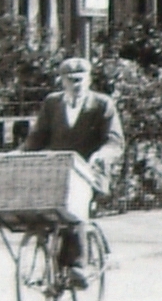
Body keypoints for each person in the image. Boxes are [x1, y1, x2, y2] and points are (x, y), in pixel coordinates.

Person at [27, 55, 122, 280]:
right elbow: (37, 138)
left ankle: (79, 265)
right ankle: (50, 264)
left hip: (90, 172)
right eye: (71, 79)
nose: (76, 84)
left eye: (80, 79)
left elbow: (115, 141)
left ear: (89, 79)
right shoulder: (52, 103)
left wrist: (102, 155)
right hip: (57, 172)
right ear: (62, 81)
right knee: (41, 210)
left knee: (76, 206)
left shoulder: (102, 104)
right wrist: (21, 152)